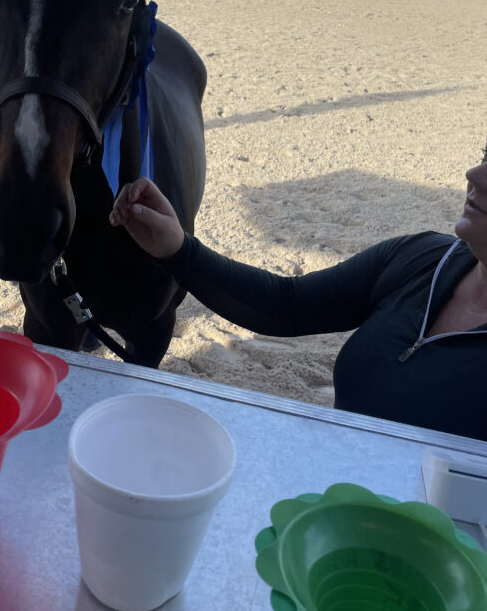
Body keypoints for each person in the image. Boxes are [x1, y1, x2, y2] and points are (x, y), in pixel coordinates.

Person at [109, 149, 487, 441]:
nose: (474, 174)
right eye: (486, 155)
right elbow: (287, 304)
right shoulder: (423, 258)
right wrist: (178, 249)